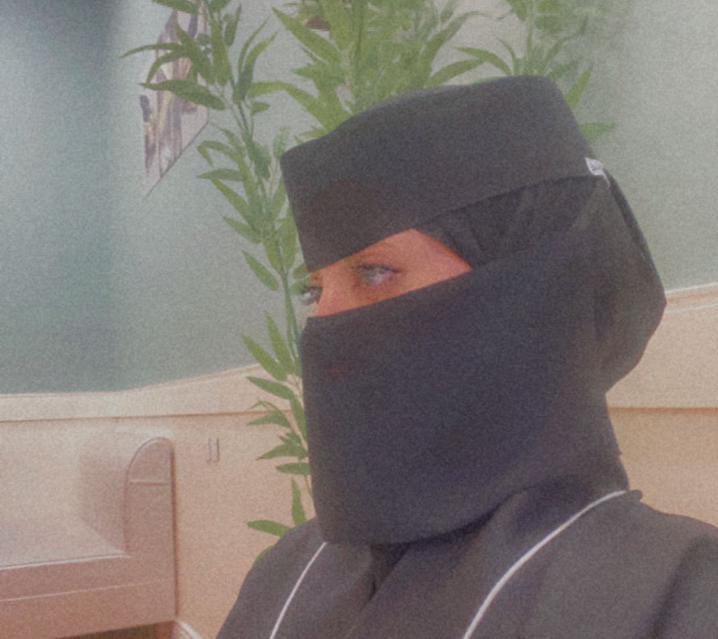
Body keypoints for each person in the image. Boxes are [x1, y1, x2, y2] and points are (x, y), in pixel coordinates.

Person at [217, 76, 718, 638]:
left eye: (374, 272)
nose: (325, 320)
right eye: (314, 290)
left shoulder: (678, 595)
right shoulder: (287, 569)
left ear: (527, 293)